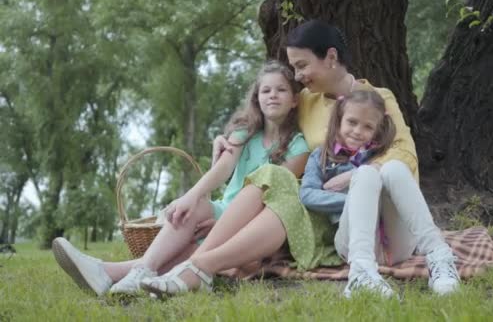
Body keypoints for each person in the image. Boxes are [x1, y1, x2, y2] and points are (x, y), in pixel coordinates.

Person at [52, 60, 311, 296]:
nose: (273, 95)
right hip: (223, 209)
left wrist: (224, 226)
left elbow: (274, 196)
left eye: (281, 90)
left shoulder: (298, 147)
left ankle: (107, 272)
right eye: (266, 91)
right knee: (193, 207)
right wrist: (191, 196)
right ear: (257, 98)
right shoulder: (245, 132)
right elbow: (222, 169)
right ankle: (141, 271)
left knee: (191, 251)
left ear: (294, 100)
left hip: (251, 221)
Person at [299, 90, 460, 298]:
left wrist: (366, 175)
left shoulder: (381, 155)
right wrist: (355, 200)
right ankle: (361, 274)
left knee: (393, 167)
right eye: (352, 122)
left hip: (398, 246)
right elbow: (307, 194)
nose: (358, 131)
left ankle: (439, 256)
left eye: (368, 126)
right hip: (353, 246)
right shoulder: (321, 156)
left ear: (376, 130)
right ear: (339, 119)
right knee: (365, 174)